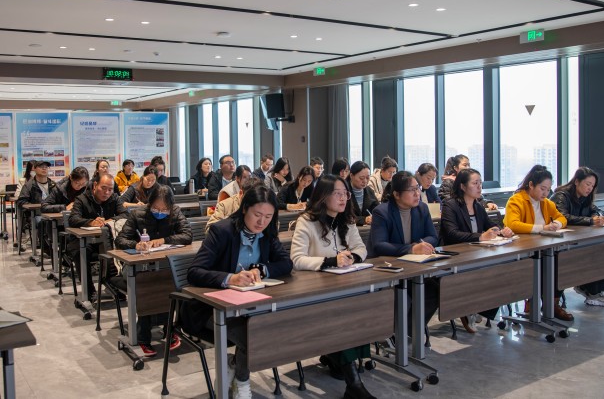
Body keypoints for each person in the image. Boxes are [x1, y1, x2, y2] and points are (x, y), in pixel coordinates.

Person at [182, 185, 293, 398]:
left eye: (268, 216)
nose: (262, 222)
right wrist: (230, 278)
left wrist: (262, 269)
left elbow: (286, 263)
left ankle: (236, 368)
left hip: (251, 305)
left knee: (277, 329)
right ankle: (242, 381)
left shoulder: (267, 232)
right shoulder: (222, 231)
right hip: (213, 309)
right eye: (257, 215)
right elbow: (194, 272)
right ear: (244, 209)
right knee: (253, 336)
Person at [290, 175, 376, 399]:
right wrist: (330, 261)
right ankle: (353, 384)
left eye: (345, 194)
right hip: (314, 290)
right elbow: (296, 259)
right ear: (323, 196)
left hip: (344, 284)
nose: (343, 198)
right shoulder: (307, 221)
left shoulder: (347, 220)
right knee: (342, 313)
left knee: (364, 307)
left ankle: (339, 359)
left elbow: (361, 248)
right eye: (337, 194)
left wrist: (352, 257)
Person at [115, 185, 192, 356]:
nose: (160, 212)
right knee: (149, 284)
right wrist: (136, 244)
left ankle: (170, 330)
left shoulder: (175, 212)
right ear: (150, 204)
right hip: (137, 268)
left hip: (164, 266)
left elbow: (187, 235)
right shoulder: (137, 214)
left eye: (164, 209)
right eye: (156, 208)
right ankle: (143, 337)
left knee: (169, 281)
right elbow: (120, 240)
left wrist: (164, 240)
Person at [440, 168, 514, 332]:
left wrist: (502, 231)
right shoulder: (450, 205)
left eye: (480, 183)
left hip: (476, 253)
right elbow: (452, 234)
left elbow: (491, 226)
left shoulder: (478, 206)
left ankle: (478, 308)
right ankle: (469, 308)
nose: (479, 187)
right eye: (475, 183)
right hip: (456, 255)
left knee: (502, 271)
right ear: (463, 186)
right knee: (485, 272)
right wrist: (480, 237)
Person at [367, 171, 439, 329]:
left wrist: (422, 245)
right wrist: (412, 248)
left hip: (414, 267)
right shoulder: (382, 211)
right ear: (397, 194)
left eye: (417, 188)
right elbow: (379, 245)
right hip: (388, 269)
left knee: (435, 290)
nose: (417, 193)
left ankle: (410, 330)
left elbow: (433, 236)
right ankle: (397, 332)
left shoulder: (422, 208)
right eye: (412, 190)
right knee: (403, 296)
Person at [503, 165, 573, 321]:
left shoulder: (547, 203)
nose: (546, 193)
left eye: (548, 189)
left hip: (544, 246)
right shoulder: (516, 200)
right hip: (523, 248)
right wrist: (542, 228)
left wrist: (557, 224)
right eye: (542, 189)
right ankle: (532, 300)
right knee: (543, 263)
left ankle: (552, 303)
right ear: (531, 185)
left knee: (561, 260)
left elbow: (562, 217)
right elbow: (513, 224)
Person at [550, 167, 604, 308]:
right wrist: (591, 221)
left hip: (577, 238)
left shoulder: (585, 198)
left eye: (592, 186)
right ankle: (590, 291)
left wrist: (597, 216)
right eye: (588, 184)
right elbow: (563, 217)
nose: (590, 188)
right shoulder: (561, 196)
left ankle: (594, 291)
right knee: (590, 252)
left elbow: (598, 210)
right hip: (560, 241)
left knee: (603, 247)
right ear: (577, 181)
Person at [68, 173, 127, 301]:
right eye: (103, 188)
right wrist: (91, 222)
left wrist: (109, 221)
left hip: (106, 239)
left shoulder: (114, 198)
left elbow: (125, 215)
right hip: (83, 241)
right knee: (81, 252)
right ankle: (89, 292)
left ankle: (114, 284)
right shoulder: (81, 199)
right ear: (95, 185)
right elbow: (73, 219)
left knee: (118, 248)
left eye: (110, 189)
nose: (107, 192)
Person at [16, 160, 56, 252]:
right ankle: (47, 248)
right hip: (36, 214)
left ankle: (63, 249)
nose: (44, 168)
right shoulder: (29, 185)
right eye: (41, 167)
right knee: (42, 222)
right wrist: (34, 207)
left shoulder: (53, 184)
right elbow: (21, 201)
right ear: (34, 169)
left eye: (46, 167)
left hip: (52, 212)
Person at [347, 161, 379, 226]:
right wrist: (364, 219)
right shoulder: (343, 191)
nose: (365, 181)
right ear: (351, 176)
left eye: (368, 177)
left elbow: (378, 209)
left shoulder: (369, 191)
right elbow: (344, 216)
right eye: (361, 178)